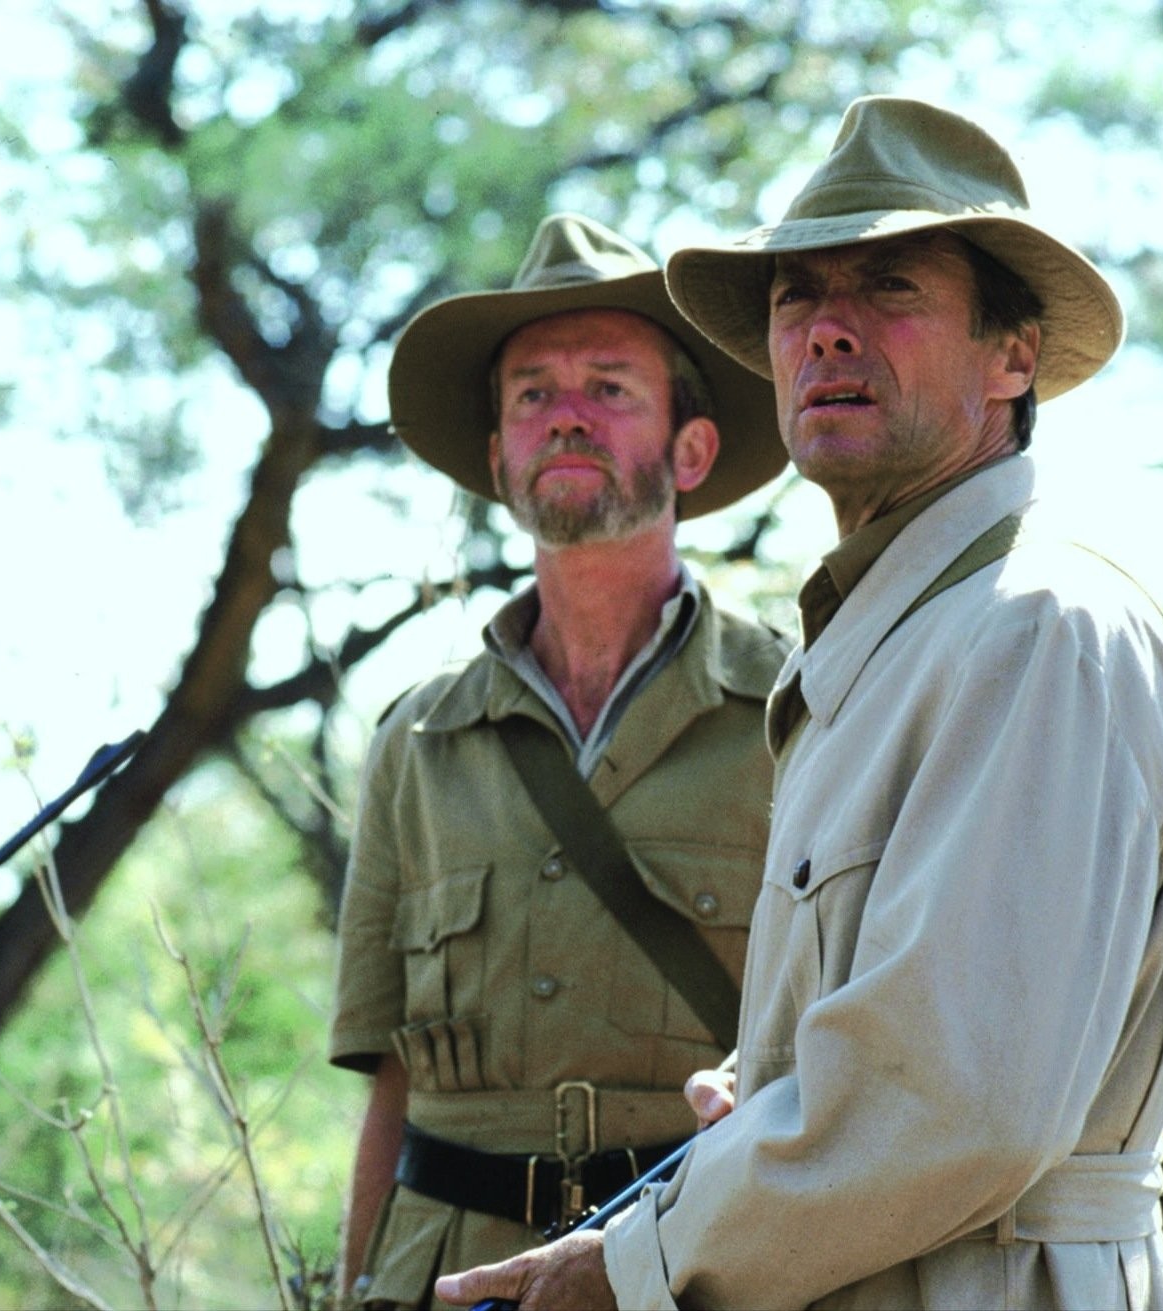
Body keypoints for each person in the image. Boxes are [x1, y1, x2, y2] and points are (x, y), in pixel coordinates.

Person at [435, 96, 1163, 1310]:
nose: (827, 330)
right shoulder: (894, 639)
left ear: (1012, 358)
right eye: (796, 296)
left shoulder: (1033, 630)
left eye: (890, 288)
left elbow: (956, 1104)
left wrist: (631, 1266)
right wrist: (771, 1083)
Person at [329, 213, 791, 1308]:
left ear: (691, 449)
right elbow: (390, 1084)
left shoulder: (797, 710)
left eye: (609, 387)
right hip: (450, 1279)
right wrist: (353, 1291)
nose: (566, 415)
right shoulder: (417, 743)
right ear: (499, 458)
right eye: (532, 393)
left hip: (696, 1272)